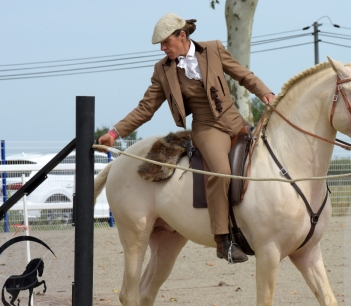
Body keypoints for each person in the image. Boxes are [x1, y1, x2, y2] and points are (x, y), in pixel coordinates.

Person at [99, 13, 275, 264]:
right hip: (207, 128)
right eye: (160, 45)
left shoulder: (213, 48)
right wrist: (116, 132)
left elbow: (243, 75)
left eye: (165, 42)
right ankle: (223, 240)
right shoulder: (162, 70)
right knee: (221, 172)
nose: (162, 48)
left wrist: (265, 92)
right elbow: (145, 108)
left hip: (236, 121)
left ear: (182, 35)